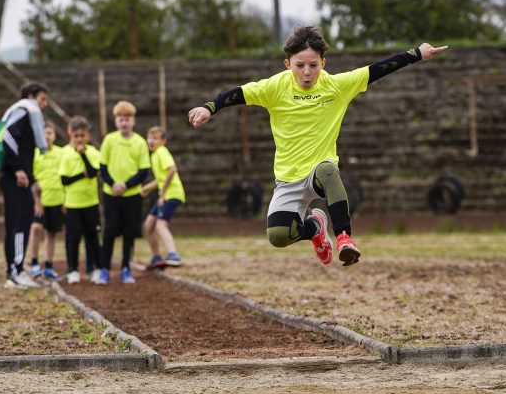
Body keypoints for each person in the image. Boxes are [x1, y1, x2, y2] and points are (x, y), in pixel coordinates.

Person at [189, 25, 447, 266]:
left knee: (327, 169)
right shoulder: (275, 87)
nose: (307, 71)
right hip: (288, 179)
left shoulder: (336, 86)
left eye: (314, 65)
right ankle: (315, 228)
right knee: (277, 236)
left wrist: (416, 54)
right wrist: (209, 107)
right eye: (300, 65)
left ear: (323, 63)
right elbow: (237, 94)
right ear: (288, 63)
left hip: (318, 173)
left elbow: (377, 69)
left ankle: (344, 237)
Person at [0, 82, 49, 289]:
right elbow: (8, 136)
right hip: (15, 177)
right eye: (43, 99)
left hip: (19, 177)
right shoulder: (23, 110)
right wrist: (18, 168)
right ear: (31, 96)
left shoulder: (22, 111)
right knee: (19, 223)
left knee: (15, 223)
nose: (44, 105)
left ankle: (13, 269)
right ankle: (16, 270)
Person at [95, 101, 150, 285]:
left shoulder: (140, 142)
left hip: (132, 195)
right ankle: (105, 269)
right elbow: (102, 166)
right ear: (116, 121)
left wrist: (126, 185)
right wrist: (113, 184)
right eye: (121, 119)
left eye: (127, 119)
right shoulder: (110, 140)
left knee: (129, 233)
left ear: (133, 121)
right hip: (111, 194)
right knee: (110, 231)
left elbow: (144, 171)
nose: (124, 123)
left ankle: (126, 268)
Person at [60, 116, 102, 284]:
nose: (79, 139)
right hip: (72, 203)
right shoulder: (66, 154)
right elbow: (65, 180)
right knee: (73, 237)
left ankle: (95, 269)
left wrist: (83, 156)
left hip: (91, 202)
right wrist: (80, 175)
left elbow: (93, 173)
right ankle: (73, 269)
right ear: (71, 135)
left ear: (87, 136)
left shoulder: (93, 153)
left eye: (82, 136)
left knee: (92, 236)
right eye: (76, 136)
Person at [141, 126, 185, 270]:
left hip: (172, 194)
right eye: (150, 137)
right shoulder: (154, 155)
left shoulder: (161, 152)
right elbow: (161, 178)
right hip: (167, 194)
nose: (151, 141)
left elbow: (172, 170)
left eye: (155, 138)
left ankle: (173, 255)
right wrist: (148, 188)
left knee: (160, 225)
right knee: (148, 225)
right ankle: (157, 258)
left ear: (163, 141)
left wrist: (163, 193)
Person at [28, 122, 66, 280]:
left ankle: (49, 265)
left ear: (54, 135)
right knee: (36, 228)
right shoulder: (35, 153)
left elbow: (65, 177)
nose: (47, 136)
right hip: (40, 200)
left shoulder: (61, 153)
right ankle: (34, 263)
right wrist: (37, 199)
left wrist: (65, 200)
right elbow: (33, 179)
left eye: (49, 133)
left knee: (51, 233)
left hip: (57, 198)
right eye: (44, 133)